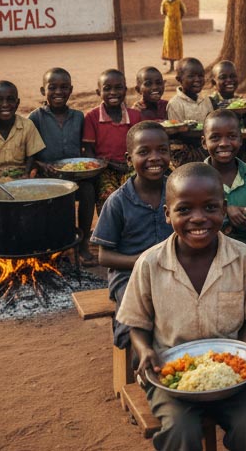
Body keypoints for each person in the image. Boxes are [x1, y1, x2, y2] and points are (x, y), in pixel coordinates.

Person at [116, 163, 246, 450]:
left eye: (210, 208)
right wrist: (144, 350)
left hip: (230, 372)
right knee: (180, 432)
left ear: (224, 209)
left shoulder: (242, 258)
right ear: (167, 214)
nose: (198, 219)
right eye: (184, 210)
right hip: (171, 374)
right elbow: (135, 323)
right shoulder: (150, 263)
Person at [92, 121, 173, 350]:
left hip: (174, 269)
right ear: (129, 159)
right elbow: (104, 257)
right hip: (129, 276)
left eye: (162, 150)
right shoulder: (117, 202)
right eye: (144, 152)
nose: (155, 158)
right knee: (136, 323)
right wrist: (144, 262)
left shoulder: (177, 192)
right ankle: (140, 360)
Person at [29, 67, 97, 264]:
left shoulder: (78, 116)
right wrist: (41, 164)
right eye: (53, 87)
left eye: (64, 87)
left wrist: (87, 166)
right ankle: (57, 246)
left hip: (73, 177)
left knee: (88, 191)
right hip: (47, 177)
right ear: (43, 91)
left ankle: (82, 243)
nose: (59, 92)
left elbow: (84, 149)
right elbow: (28, 155)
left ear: (71, 90)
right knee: (50, 200)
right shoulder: (35, 118)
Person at [83, 69, 142, 211]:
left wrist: (130, 164)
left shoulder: (135, 116)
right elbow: (89, 150)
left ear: (125, 90)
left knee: (136, 191)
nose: (113, 92)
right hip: (104, 169)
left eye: (118, 88)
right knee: (108, 195)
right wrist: (100, 167)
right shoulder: (92, 117)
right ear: (99, 92)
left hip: (129, 166)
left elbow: (140, 146)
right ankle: (110, 228)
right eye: (107, 89)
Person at [203, 109, 246, 248]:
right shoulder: (197, 178)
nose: (224, 143)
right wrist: (226, 209)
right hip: (209, 250)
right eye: (215, 137)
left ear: (240, 140)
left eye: (232, 136)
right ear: (204, 142)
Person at [165, 57, 214, 168]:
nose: (197, 80)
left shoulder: (207, 101)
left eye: (200, 76)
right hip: (185, 149)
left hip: (206, 144)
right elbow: (175, 132)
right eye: (191, 76)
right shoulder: (175, 104)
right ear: (179, 79)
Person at [160, 0, 185, 74]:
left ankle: (178, 66)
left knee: (177, 45)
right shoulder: (164, 2)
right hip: (168, 27)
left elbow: (183, 11)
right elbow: (163, 12)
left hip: (177, 26)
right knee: (169, 45)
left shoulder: (178, 1)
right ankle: (171, 66)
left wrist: (177, 19)